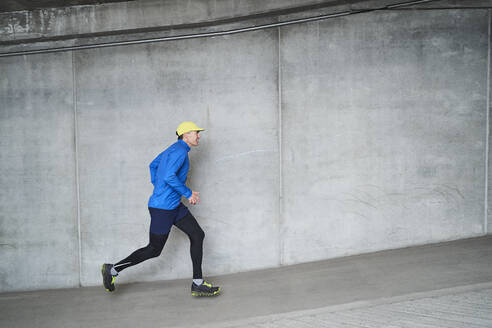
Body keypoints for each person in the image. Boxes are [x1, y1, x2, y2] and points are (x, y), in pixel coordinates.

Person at [101, 121, 220, 297]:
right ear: (185, 135)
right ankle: (112, 270)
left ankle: (198, 283)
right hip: (162, 209)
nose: (199, 135)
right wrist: (188, 193)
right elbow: (168, 176)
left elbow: (153, 165)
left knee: (197, 234)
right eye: (196, 132)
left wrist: (159, 187)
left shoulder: (173, 149)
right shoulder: (180, 152)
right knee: (154, 250)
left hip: (174, 206)